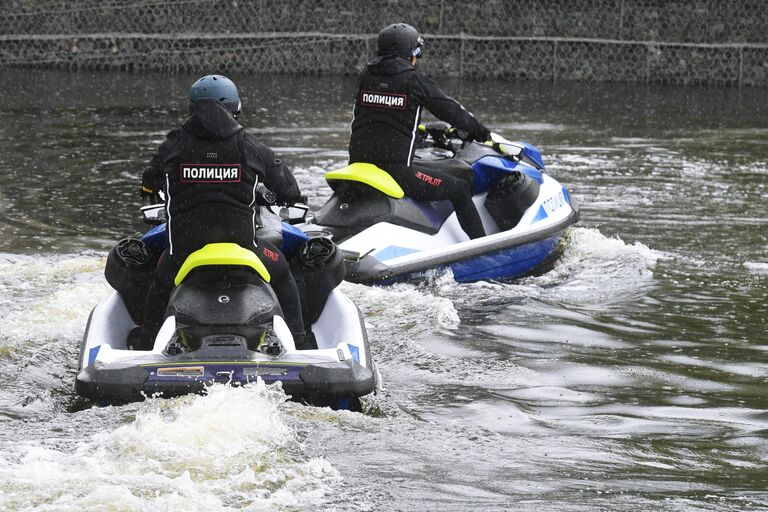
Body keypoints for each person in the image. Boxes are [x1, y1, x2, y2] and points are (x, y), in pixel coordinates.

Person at [136, 74, 312, 349]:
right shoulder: (247, 144)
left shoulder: (175, 143)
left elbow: (150, 179)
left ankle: (145, 344)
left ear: (191, 107)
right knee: (282, 272)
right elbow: (286, 186)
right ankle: (301, 343)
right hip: (244, 247)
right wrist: (291, 199)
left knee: (159, 283)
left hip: (182, 251)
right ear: (235, 108)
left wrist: (151, 191)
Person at [349, 22, 491, 240]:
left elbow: (379, 117)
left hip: (358, 167)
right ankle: (484, 247)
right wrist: (481, 132)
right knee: (459, 189)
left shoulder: (366, 75)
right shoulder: (413, 80)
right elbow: (451, 111)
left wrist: (419, 132)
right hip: (397, 174)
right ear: (411, 54)